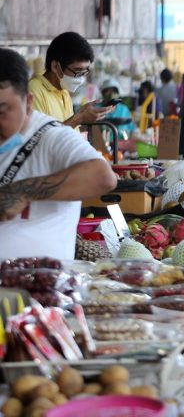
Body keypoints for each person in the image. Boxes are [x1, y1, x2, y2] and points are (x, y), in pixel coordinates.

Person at [0, 49, 117, 259]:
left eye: (1, 112)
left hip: (41, 286)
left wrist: (23, 191)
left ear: (27, 103)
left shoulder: (51, 137)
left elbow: (102, 176)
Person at [28, 32, 113, 127]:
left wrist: (80, 116)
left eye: (84, 72)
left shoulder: (64, 92)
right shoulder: (34, 91)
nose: (81, 78)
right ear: (55, 66)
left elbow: (67, 132)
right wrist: (78, 119)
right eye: (77, 71)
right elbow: (41, 139)